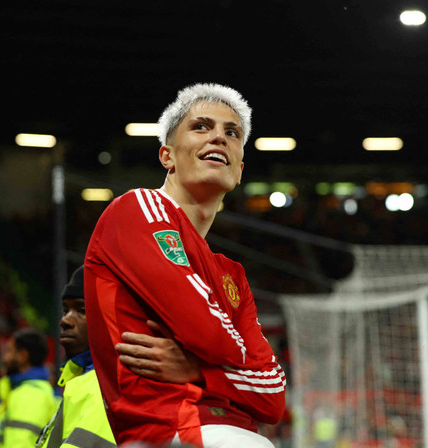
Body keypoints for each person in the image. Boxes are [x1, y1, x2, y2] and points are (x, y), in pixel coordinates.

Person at [84, 83, 286, 447]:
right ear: (167, 156)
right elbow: (205, 330)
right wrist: (234, 363)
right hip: (170, 430)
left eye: (232, 132)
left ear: (239, 170)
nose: (218, 138)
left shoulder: (232, 276)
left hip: (226, 433)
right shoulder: (137, 209)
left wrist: (201, 369)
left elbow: (273, 398)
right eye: (201, 127)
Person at [36, 265, 116, 448]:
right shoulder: (82, 381)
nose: (65, 320)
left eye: (82, 310)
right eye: (65, 310)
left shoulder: (104, 387)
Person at [1, 328, 57, 447]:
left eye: (9, 351)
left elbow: (21, 443)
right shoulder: (33, 390)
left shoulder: (28, 394)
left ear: (23, 356)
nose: (4, 358)